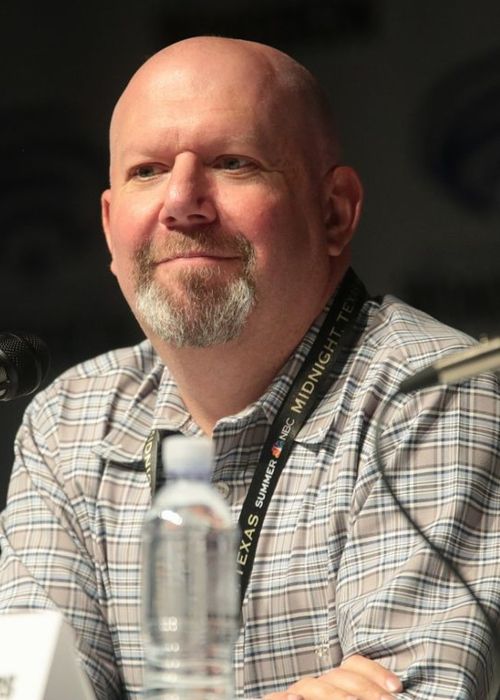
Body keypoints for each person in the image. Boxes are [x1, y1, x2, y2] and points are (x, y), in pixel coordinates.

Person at [0, 35, 499, 700]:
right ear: (111, 227)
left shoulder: (436, 393)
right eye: (147, 170)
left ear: (334, 212)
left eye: (232, 163)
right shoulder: (70, 421)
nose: (182, 202)